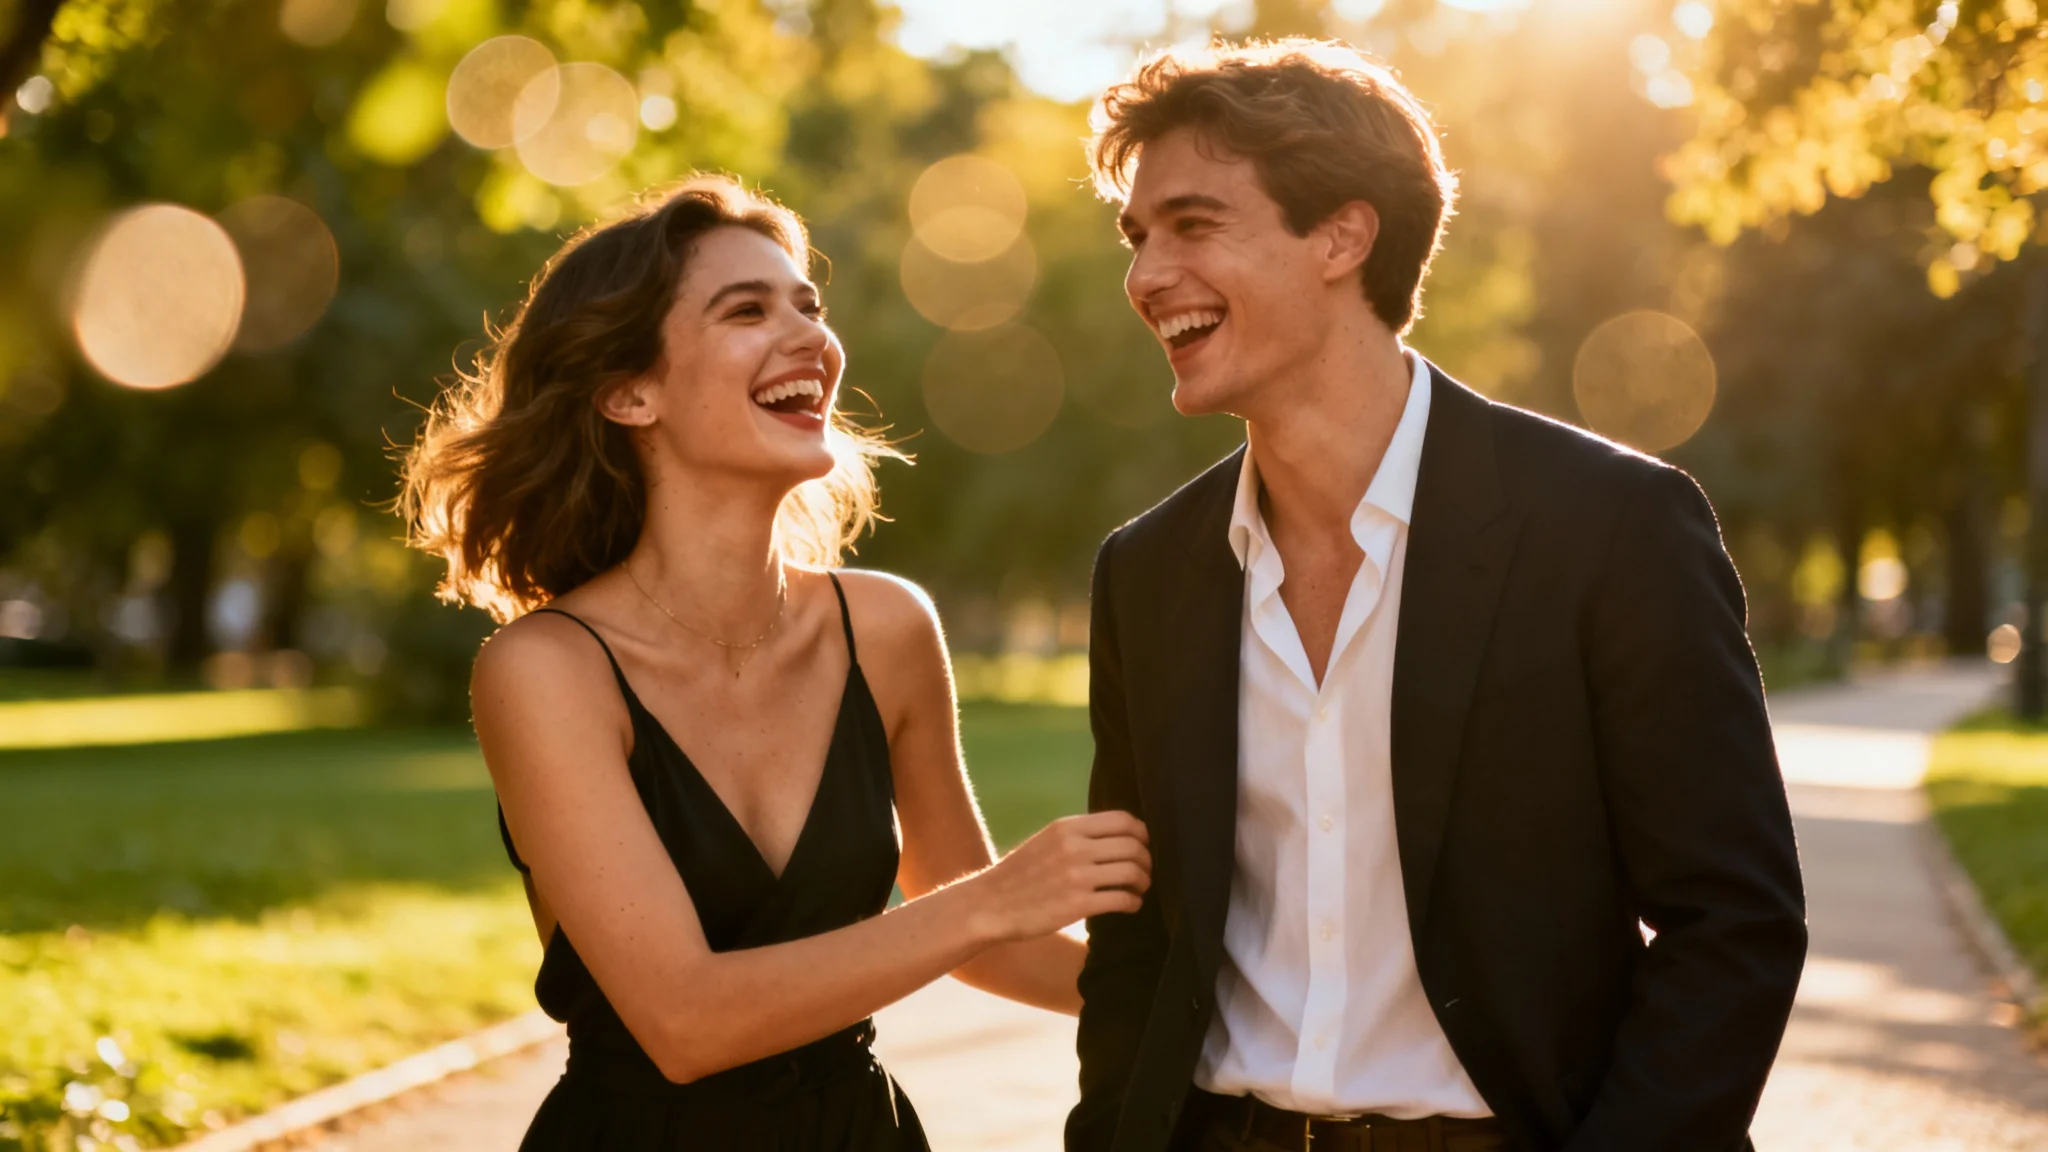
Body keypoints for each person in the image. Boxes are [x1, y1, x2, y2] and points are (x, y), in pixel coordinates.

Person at [1068, 40, 1806, 1152]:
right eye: (1134, 237)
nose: (1143, 276)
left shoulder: (1610, 528)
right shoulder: (1146, 571)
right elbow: (1135, 942)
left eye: (1190, 224)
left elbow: (1731, 923)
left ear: (1341, 236)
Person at [397, 174, 1152, 1150]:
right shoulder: (546, 670)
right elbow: (684, 1022)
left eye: (809, 306)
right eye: (746, 310)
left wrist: (1229, 1019)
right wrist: (987, 904)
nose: (812, 340)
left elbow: (995, 950)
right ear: (631, 392)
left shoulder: (884, 630)